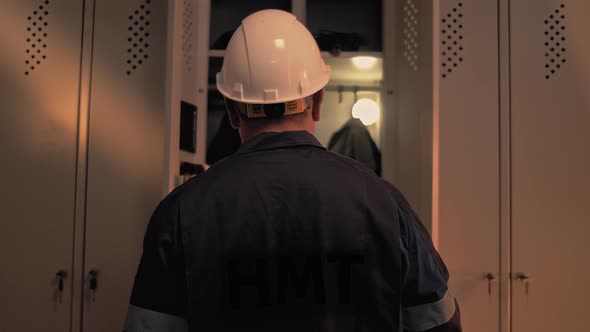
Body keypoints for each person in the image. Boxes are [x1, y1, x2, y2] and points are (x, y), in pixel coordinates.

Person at [124, 9, 461, 332]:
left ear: (231, 109)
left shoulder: (180, 212)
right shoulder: (386, 205)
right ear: (318, 101)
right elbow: (438, 325)